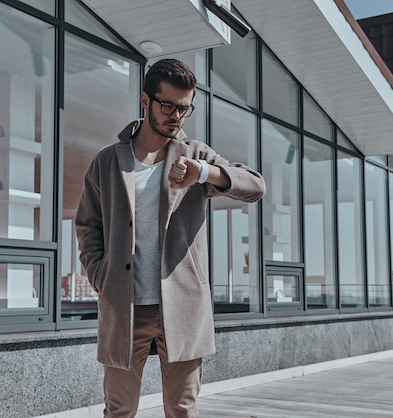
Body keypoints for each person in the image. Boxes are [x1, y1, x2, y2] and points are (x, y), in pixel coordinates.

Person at [75, 58, 265, 418]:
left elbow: (255, 186)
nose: (176, 116)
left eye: (184, 108)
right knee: (119, 410)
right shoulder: (108, 162)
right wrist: (102, 275)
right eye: (168, 105)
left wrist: (204, 173)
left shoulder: (195, 156)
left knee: (182, 410)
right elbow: (87, 226)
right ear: (145, 101)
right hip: (124, 306)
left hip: (182, 306)